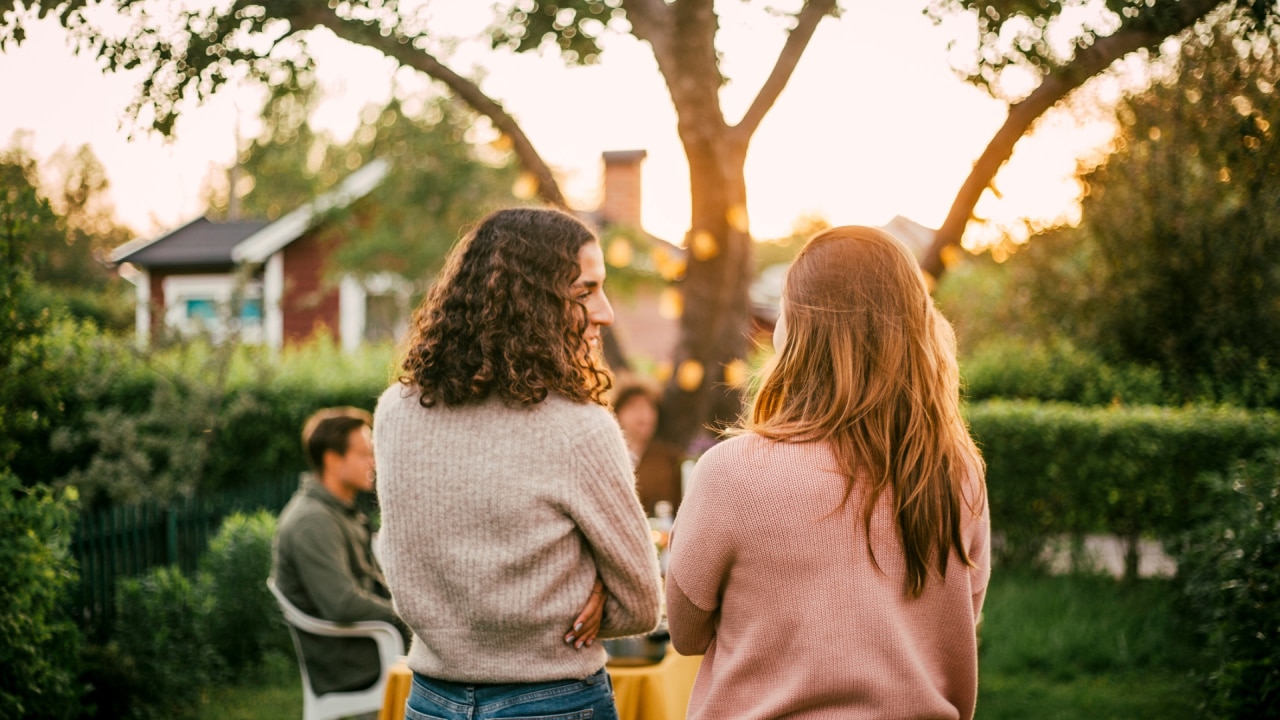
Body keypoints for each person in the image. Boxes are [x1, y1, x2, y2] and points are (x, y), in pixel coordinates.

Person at [666, 226, 991, 720]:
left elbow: (686, 634)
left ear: (797, 328)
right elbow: (957, 622)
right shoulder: (956, 470)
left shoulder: (732, 472)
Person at [373, 207, 663, 720]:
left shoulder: (394, 414)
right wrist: (584, 598)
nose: (606, 312)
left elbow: (407, 570)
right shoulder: (578, 428)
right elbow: (641, 601)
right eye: (585, 291)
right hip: (554, 701)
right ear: (534, 301)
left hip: (430, 701)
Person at [271, 407, 406, 697]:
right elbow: (342, 603)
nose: (374, 461)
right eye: (364, 453)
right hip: (353, 661)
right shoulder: (312, 521)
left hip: (369, 647)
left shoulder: (338, 512)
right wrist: (410, 616)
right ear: (332, 459)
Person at [611, 376, 686, 515]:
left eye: (649, 407)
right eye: (634, 407)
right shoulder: (607, 457)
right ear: (617, 412)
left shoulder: (671, 459)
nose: (644, 415)